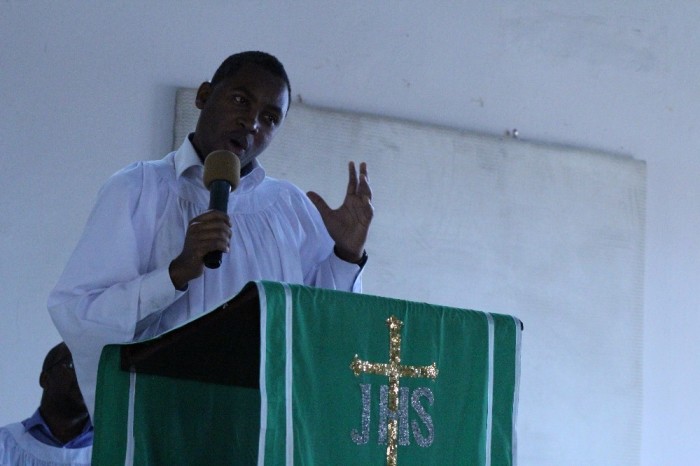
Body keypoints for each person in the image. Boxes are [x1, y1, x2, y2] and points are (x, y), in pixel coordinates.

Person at [47, 51, 374, 419]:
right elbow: (79, 314)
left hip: (259, 424)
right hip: (165, 421)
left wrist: (346, 254)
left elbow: (322, 332)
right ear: (203, 96)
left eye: (269, 118)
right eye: (240, 100)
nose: (251, 123)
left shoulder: (289, 207)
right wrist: (174, 275)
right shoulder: (137, 189)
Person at [0, 342, 93, 465]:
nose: (84, 377)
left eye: (91, 370)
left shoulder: (115, 448)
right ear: (44, 378)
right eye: (72, 365)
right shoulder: (6, 445)